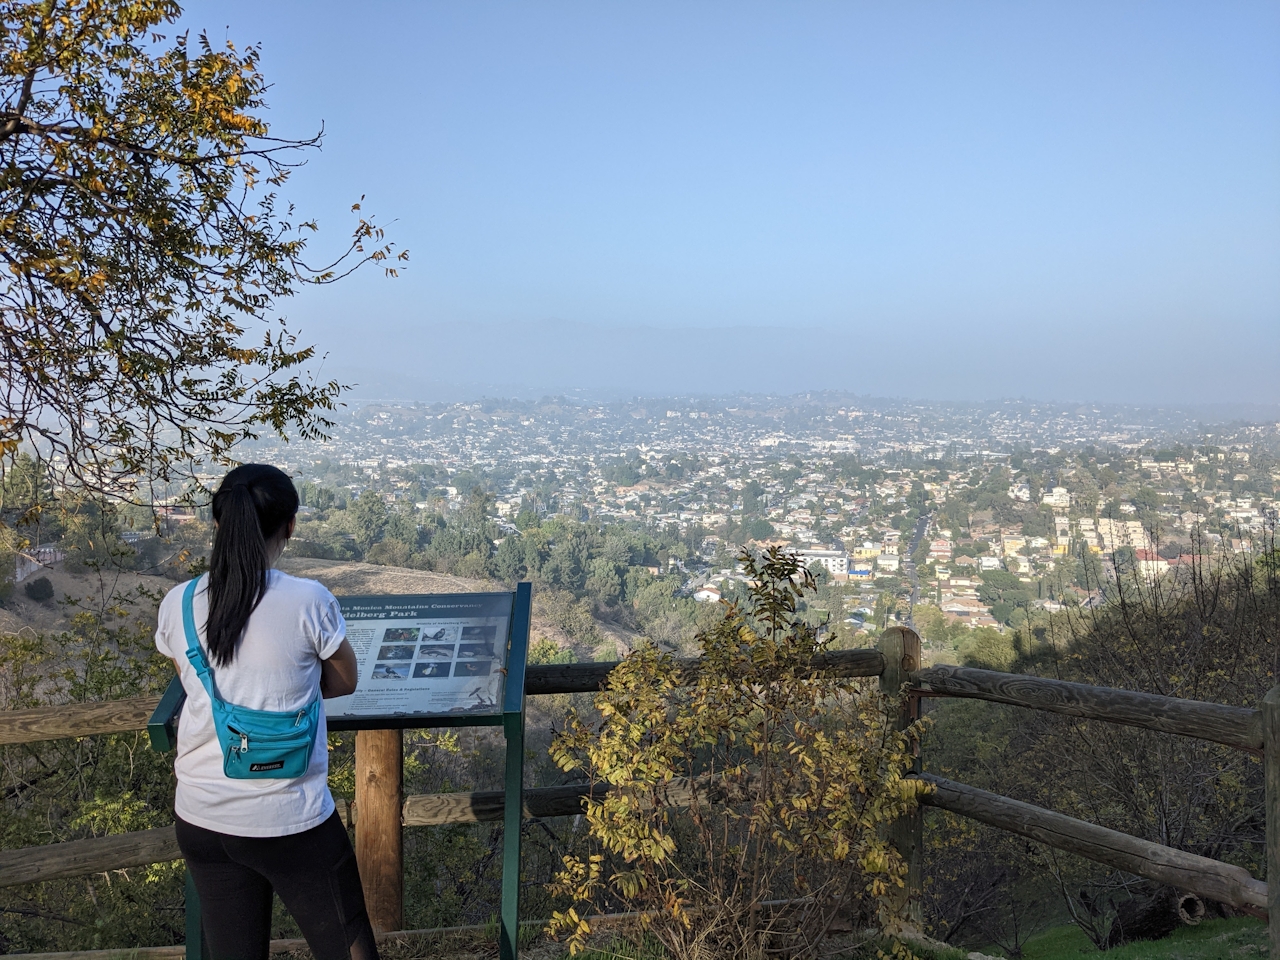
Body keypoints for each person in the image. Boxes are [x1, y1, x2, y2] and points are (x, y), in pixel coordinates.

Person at [154, 464, 378, 960]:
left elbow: (197, 684)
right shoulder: (307, 600)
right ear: (290, 526)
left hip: (202, 816)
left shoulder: (179, 602)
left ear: (218, 524)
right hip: (288, 816)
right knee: (348, 947)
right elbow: (344, 681)